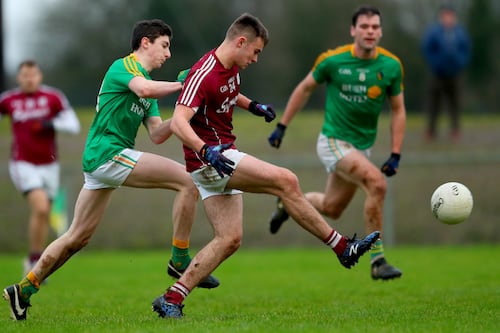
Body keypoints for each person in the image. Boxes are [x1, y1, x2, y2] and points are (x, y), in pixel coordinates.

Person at [151, 13, 380, 319]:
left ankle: (172, 298)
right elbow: (179, 122)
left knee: (229, 239)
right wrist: (206, 150)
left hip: (217, 159)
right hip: (212, 160)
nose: (256, 59)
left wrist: (252, 105)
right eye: (256, 52)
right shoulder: (203, 72)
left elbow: (227, 92)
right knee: (287, 180)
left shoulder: (230, 67)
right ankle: (342, 247)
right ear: (241, 42)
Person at [3, 19, 218, 321]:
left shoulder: (146, 87)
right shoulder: (125, 68)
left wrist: (186, 109)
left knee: (77, 237)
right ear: (145, 42)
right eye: (165, 46)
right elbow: (144, 88)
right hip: (108, 154)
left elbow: (157, 134)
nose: (168, 55)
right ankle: (179, 259)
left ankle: (23, 289)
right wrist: (189, 84)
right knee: (187, 182)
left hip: (104, 160)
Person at [267, 5, 405, 281]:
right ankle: (378, 260)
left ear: (381, 31)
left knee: (332, 208)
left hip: (360, 147)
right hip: (333, 141)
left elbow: (399, 110)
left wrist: (395, 153)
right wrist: (282, 125)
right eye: (364, 27)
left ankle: (288, 203)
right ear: (353, 30)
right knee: (376, 183)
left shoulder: (391, 66)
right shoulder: (333, 60)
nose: (370, 32)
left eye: (375, 27)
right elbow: (305, 88)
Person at [0, 60, 80, 277]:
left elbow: (74, 125)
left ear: (40, 76)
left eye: (33, 74)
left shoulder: (53, 97)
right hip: (23, 163)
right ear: (19, 78)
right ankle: (36, 260)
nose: (29, 79)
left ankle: (33, 259)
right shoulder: (9, 100)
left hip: (50, 164)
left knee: (44, 214)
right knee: (42, 208)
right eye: (25, 75)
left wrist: (51, 123)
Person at [421, 4, 471, 142]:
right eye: (446, 16)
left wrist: (460, 63)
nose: (448, 19)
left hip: (455, 73)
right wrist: (436, 63)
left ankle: (455, 130)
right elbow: (427, 49)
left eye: (451, 16)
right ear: (441, 17)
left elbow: (466, 50)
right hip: (437, 73)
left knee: (455, 103)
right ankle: (431, 131)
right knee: (434, 103)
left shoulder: (460, 33)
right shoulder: (434, 32)